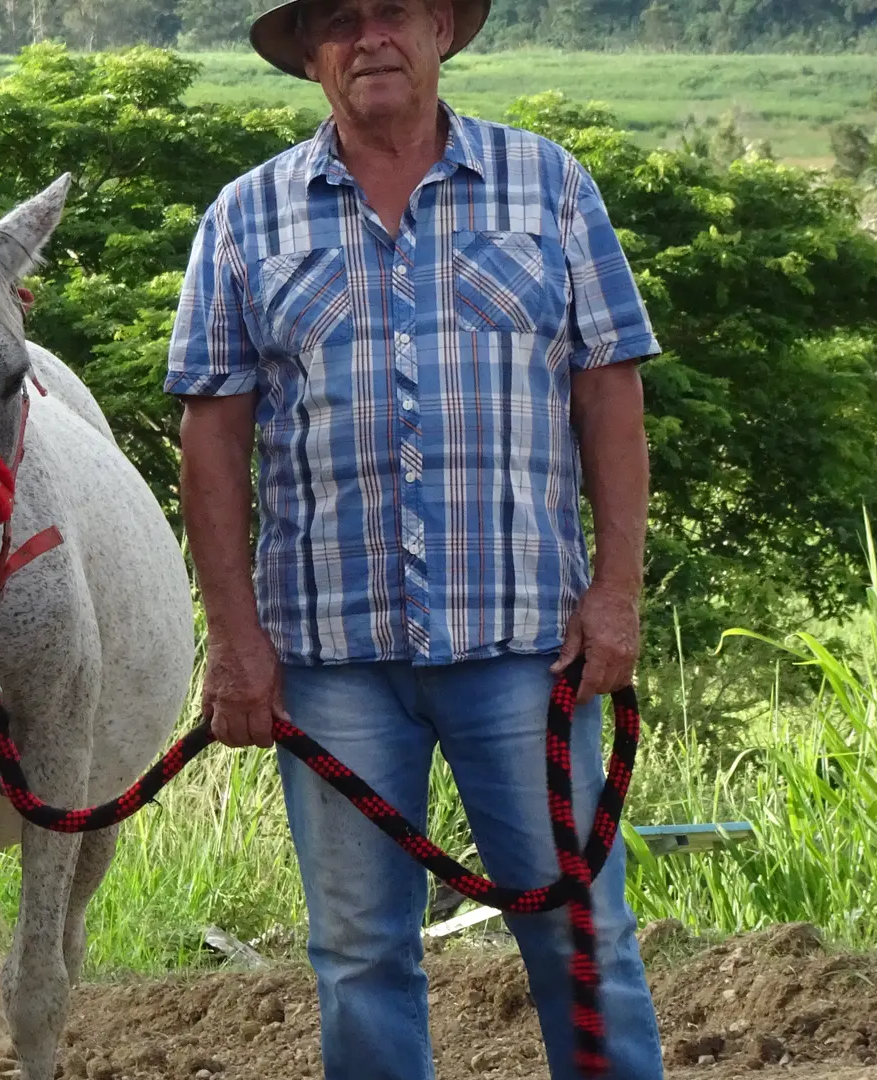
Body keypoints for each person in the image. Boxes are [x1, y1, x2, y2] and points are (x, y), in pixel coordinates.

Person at [164, 0, 664, 1075]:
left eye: (393, 9)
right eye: (338, 20)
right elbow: (211, 444)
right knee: (356, 956)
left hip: (530, 646)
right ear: (309, 56)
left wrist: (617, 591)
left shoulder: (550, 187)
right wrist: (234, 641)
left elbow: (610, 395)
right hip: (332, 663)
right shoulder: (245, 219)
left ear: (440, 28)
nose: (369, 37)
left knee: (582, 935)